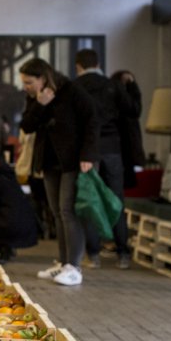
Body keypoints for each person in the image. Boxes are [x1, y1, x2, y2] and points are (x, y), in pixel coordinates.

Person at [19, 58, 99, 286]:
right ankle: (63, 264)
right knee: (56, 213)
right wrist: (40, 104)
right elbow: (27, 125)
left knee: (67, 211)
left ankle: (74, 267)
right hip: (49, 162)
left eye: (29, 82)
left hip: (74, 161)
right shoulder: (35, 98)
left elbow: (92, 121)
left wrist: (88, 155)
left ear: (43, 78)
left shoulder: (72, 91)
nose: (26, 87)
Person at [73, 49, 139, 269]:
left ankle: (93, 255)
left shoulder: (76, 87)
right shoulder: (113, 86)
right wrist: (132, 85)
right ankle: (123, 253)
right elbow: (132, 109)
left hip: (87, 152)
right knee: (116, 199)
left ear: (78, 66)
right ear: (98, 63)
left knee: (90, 200)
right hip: (113, 150)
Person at [111, 69, 146, 191]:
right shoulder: (126, 107)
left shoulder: (111, 101)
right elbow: (136, 109)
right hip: (124, 150)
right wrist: (132, 84)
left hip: (117, 149)